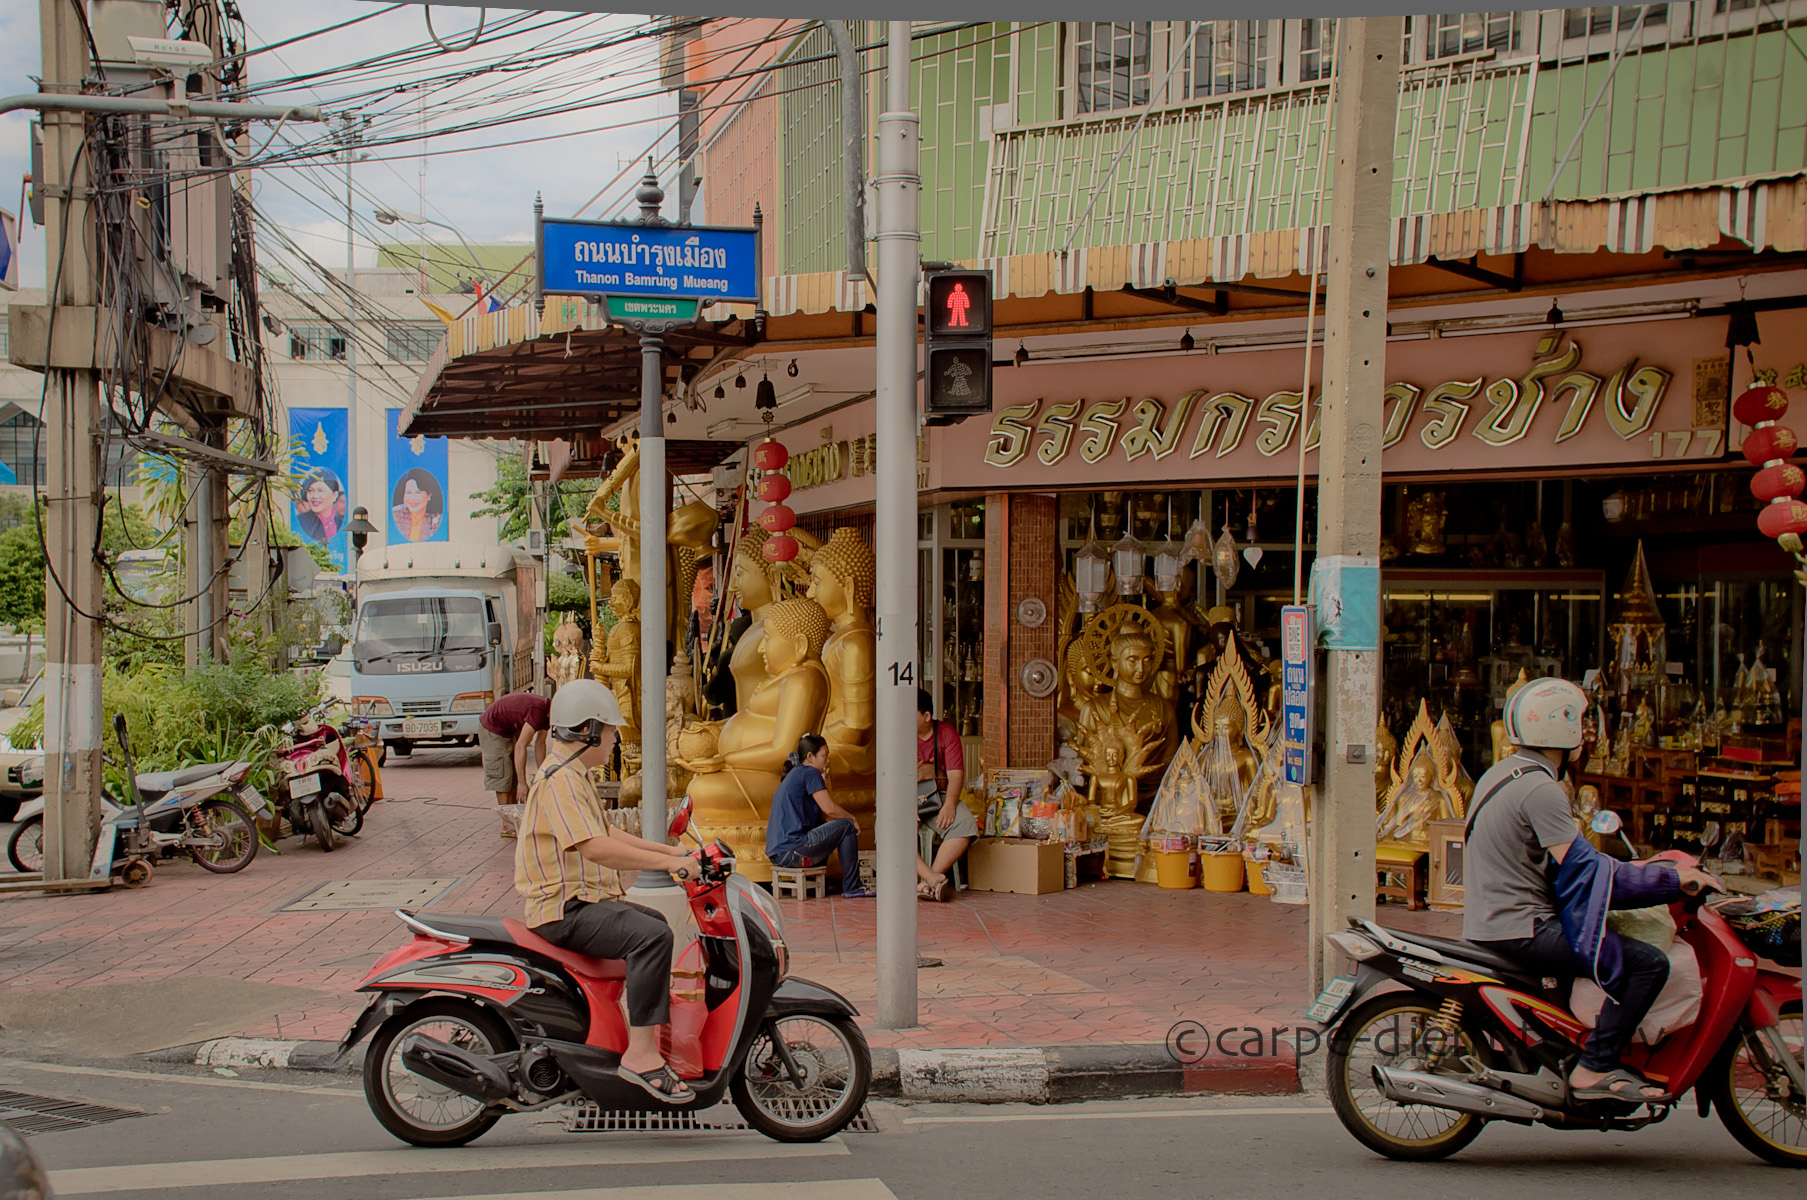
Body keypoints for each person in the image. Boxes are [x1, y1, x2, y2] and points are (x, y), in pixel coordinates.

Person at [1464, 677, 1718, 1102]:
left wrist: (1638, 871)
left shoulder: (1502, 774)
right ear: (1561, 730)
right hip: (1524, 926)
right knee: (1648, 964)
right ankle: (1594, 1067)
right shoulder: (1542, 789)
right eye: (1581, 724)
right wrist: (1674, 880)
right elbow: (1589, 872)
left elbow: (1576, 867)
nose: (1587, 735)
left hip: (1495, 917)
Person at [516, 678, 701, 1101]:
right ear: (588, 731)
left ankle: (627, 1030)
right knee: (651, 936)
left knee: (651, 923)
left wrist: (675, 853)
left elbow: (609, 833)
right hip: (565, 911)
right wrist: (672, 863)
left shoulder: (572, 775)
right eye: (612, 730)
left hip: (577, 906)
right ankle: (641, 1056)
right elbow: (598, 847)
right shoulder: (562, 780)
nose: (617, 739)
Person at [765, 733, 872, 898]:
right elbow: (829, 809)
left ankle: (834, 884)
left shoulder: (798, 774)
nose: (828, 760)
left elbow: (823, 816)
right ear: (810, 757)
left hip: (780, 855)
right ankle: (853, 886)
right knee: (847, 826)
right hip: (793, 850)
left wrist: (825, 780)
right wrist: (852, 818)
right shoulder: (809, 773)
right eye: (825, 755)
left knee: (831, 828)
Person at [916, 689, 976, 901]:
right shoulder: (899, 735)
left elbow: (956, 775)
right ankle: (932, 879)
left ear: (926, 716)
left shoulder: (946, 733)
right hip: (907, 799)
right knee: (895, 830)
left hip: (937, 795)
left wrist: (950, 803)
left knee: (965, 824)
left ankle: (926, 882)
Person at [480, 690, 552, 835]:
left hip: (507, 728)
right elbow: (521, 746)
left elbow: (540, 744)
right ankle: (507, 824)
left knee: (511, 774)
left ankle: (514, 818)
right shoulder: (538, 712)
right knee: (503, 775)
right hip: (492, 726)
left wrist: (542, 775)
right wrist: (522, 783)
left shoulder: (547, 713)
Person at [391, 469, 445, 543]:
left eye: (418, 492)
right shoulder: (396, 515)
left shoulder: (436, 520)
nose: (413, 498)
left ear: (429, 495)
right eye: (408, 492)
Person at [296, 469, 345, 543]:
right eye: (310, 490)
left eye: (320, 490)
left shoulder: (342, 523)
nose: (315, 496)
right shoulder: (302, 521)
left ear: (335, 495)